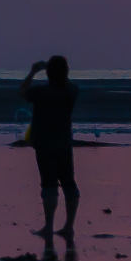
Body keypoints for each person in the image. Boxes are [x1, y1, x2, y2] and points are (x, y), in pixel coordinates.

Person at [20, 55, 81, 238]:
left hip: (44, 144)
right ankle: (69, 225)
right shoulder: (70, 91)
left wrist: (33, 71)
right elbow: (70, 85)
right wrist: (59, 71)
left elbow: (22, 92)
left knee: (49, 185)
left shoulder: (41, 92)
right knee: (69, 183)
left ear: (48, 73)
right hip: (63, 144)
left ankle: (49, 226)